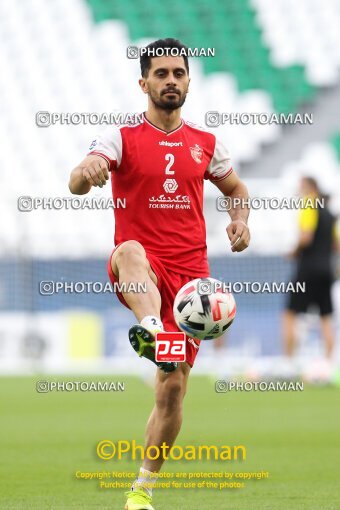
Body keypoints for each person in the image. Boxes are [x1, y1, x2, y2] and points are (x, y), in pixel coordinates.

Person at [69, 38, 250, 510]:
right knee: (127, 248)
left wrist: (240, 219)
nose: (171, 81)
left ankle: (142, 491)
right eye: (162, 74)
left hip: (191, 281)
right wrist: (87, 170)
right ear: (143, 82)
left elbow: (236, 188)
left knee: (172, 390)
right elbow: (75, 183)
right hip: (141, 268)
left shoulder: (206, 143)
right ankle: (151, 329)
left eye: (178, 74)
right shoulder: (120, 136)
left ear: (189, 81)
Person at [283, 176, 337, 360]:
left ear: (311, 187)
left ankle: (288, 362)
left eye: (302, 187)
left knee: (289, 314)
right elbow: (336, 244)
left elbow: (306, 237)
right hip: (326, 270)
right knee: (325, 318)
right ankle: (328, 365)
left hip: (307, 270)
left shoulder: (308, 204)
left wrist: (294, 251)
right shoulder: (330, 213)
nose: (300, 191)